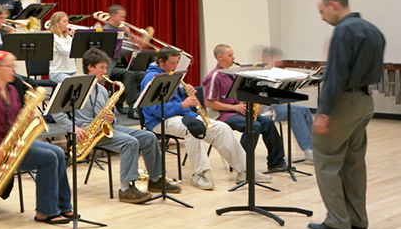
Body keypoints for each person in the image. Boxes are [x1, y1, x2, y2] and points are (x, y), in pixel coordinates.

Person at [49, 47, 176, 203]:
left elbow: (112, 117)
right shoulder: (75, 86)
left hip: (107, 128)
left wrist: (112, 117)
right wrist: (73, 128)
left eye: (105, 67)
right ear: (90, 67)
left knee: (148, 136)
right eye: (101, 67)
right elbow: (57, 112)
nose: (105, 71)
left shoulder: (102, 90)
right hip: (88, 132)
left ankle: (156, 180)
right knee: (130, 142)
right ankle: (125, 189)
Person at [0, 50, 74, 224]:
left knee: (58, 152)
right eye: (9, 66)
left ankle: (64, 206)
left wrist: (27, 117)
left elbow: (14, 120)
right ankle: (45, 212)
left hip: (12, 144)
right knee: (49, 158)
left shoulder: (12, 90)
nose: (13, 70)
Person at [309, 0, 385, 229]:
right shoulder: (373, 29)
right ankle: (357, 220)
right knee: (353, 163)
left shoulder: (344, 30)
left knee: (327, 159)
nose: (322, 17)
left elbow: (336, 75)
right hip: (365, 101)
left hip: (343, 102)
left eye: (322, 11)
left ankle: (337, 222)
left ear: (333, 5)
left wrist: (324, 112)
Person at [138, 47, 256, 190]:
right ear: (161, 62)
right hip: (159, 121)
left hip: (183, 116)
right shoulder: (152, 79)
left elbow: (173, 98)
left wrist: (184, 92)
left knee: (222, 128)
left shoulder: (169, 73)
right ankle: (198, 174)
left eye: (177, 63)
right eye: (172, 63)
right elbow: (157, 110)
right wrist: (183, 104)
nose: (175, 67)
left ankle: (245, 170)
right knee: (193, 129)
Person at [202, 44, 288, 173]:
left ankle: (276, 161)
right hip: (220, 115)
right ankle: (240, 163)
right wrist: (234, 106)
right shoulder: (214, 76)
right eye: (230, 55)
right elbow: (209, 103)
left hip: (236, 112)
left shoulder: (233, 74)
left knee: (268, 123)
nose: (234, 57)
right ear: (220, 57)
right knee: (253, 125)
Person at [261, 46, 315, 165]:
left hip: (274, 105)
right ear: (268, 57)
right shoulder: (260, 72)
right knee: (294, 113)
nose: (280, 62)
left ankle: (315, 147)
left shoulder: (274, 71)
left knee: (305, 110)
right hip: (264, 109)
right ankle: (308, 151)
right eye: (277, 59)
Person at [47, 11, 78, 86]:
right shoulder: (54, 37)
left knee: (87, 83)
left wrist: (76, 38)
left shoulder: (67, 37)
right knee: (74, 83)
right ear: (57, 23)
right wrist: (75, 38)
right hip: (57, 72)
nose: (67, 24)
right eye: (64, 21)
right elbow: (66, 51)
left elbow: (76, 50)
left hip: (72, 71)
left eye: (67, 21)